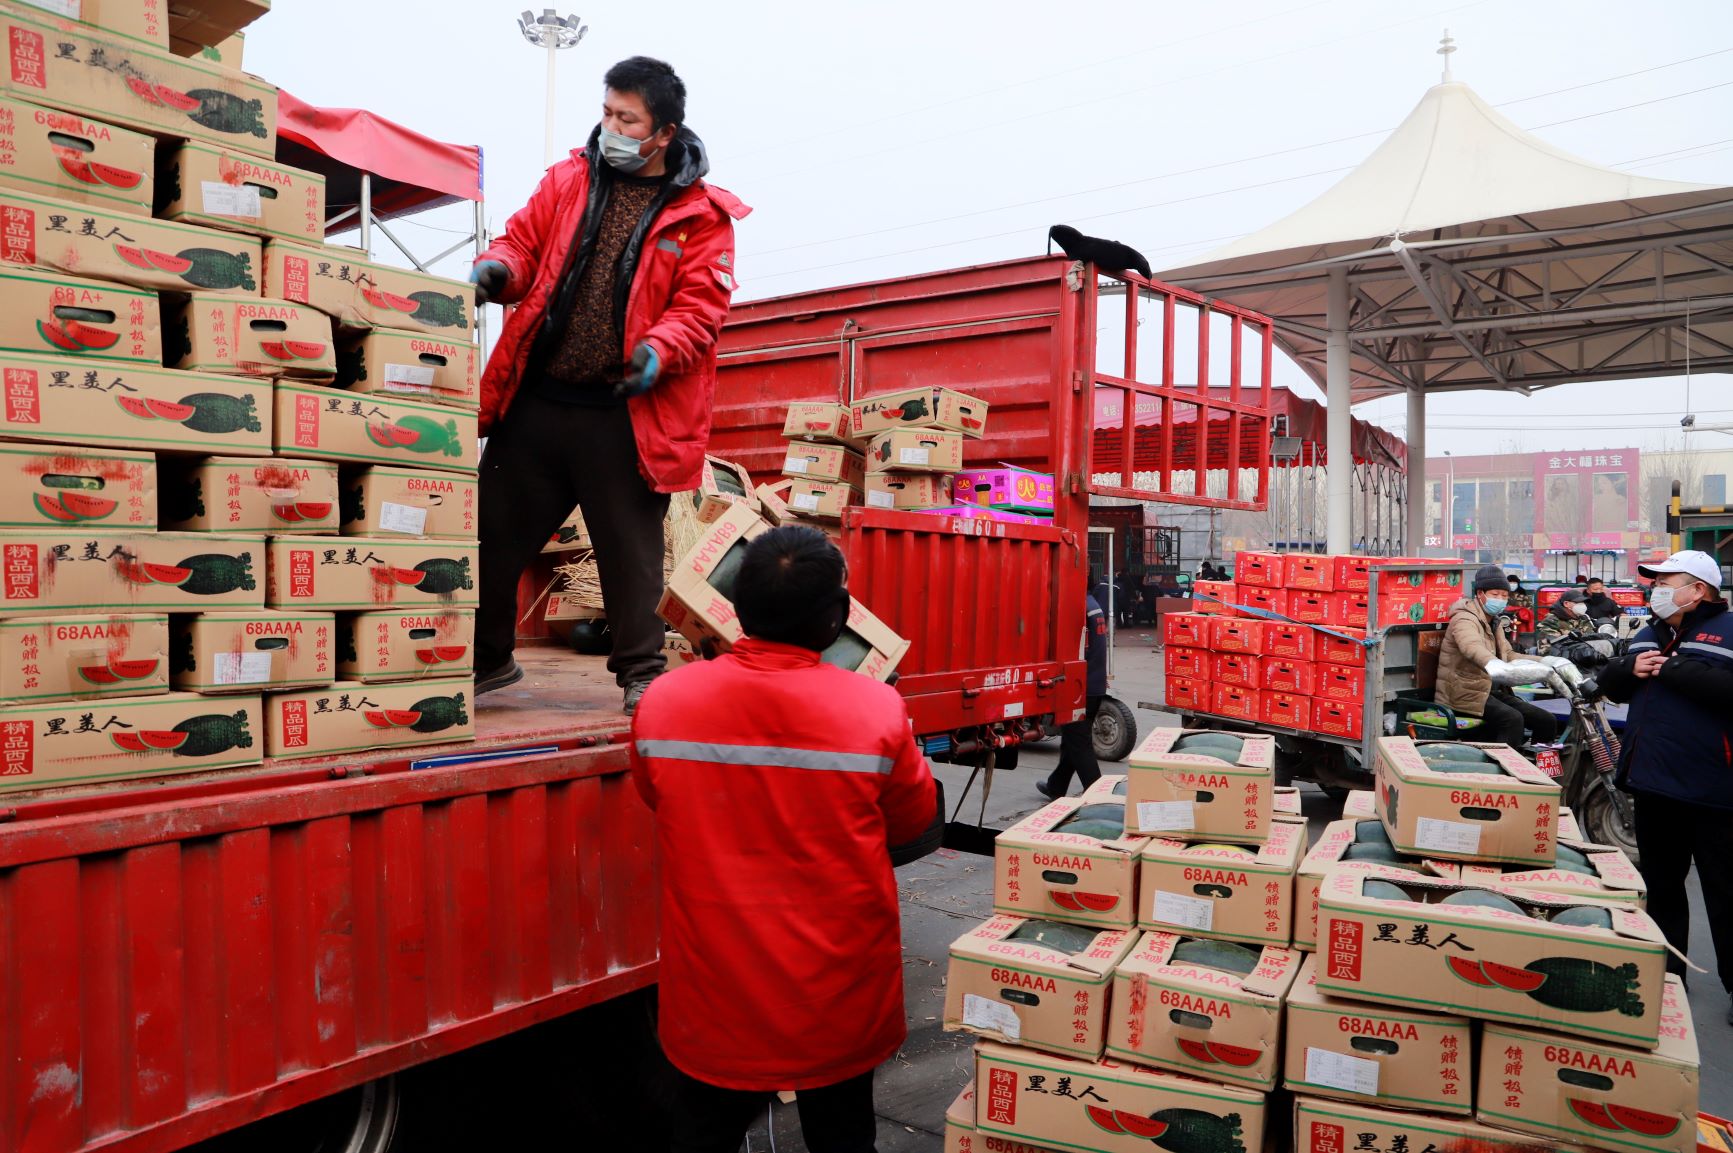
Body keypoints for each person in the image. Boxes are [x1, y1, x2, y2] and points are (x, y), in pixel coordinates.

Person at [630, 525, 937, 1151]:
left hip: (713, 995)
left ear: (739, 609)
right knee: (842, 1137)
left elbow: (656, 797)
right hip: (835, 995)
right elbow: (911, 824)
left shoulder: (663, 701)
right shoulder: (875, 710)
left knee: (702, 1133)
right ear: (839, 616)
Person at [469, 56, 750, 713]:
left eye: (628, 120)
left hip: (625, 412)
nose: (612, 129)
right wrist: (497, 269)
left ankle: (641, 673)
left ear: (664, 133)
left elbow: (699, 310)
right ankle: (486, 659)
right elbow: (521, 245)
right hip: (539, 399)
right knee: (489, 539)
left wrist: (657, 351)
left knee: (630, 557)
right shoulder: (568, 180)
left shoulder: (702, 215)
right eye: (606, 113)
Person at [1595, 550, 1733, 1023]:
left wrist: (1672, 668)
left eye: (1665, 582)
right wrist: (1628, 670)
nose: (1655, 590)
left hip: (1714, 790)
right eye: (1654, 582)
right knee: (1663, 887)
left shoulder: (1728, 631)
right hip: (1654, 786)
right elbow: (1612, 684)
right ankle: (1670, 975)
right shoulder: (1648, 633)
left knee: (1725, 892)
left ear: (1698, 590)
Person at [1437, 565, 1561, 746]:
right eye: (1495, 594)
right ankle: (1504, 764)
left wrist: (1547, 661)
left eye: (1504, 595)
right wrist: (1493, 663)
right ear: (1480, 593)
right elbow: (1471, 646)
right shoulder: (1464, 618)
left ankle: (1538, 760)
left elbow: (1508, 654)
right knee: (1512, 720)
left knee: (1546, 720)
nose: (1501, 599)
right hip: (1463, 693)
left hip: (1489, 691)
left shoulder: (1495, 622)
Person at [1036, 592, 1109, 799]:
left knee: (1079, 743)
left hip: (1081, 687)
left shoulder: (1078, 607)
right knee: (1072, 739)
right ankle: (1056, 786)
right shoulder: (1093, 604)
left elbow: (1071, 649)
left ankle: (1098, 796)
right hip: (1095, 684)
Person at [1534, 589, 1613, 666]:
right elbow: (1545, 651)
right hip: (1564, 663)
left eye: (1583, 602)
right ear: (1566, 604)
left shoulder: (1584, 618)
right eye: (1578, 602)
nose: (1583, 605)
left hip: (1588, 659)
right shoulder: (1551, 622)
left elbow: (1592, 638)